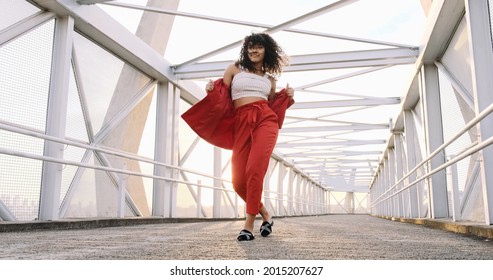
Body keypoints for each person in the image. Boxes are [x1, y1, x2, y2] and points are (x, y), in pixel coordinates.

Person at [182, 33, 294, 241]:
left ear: (265, 51)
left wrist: (287, 96)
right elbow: (222, 93)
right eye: (250, 47)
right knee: (237, 182)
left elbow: (272, 104)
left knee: (254, 169)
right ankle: (266, 214)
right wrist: (211, 89)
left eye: (259, 47)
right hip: (241, 122)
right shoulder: (234, 68)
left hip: (265, 120)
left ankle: (248, 226)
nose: (254, 50)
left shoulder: (270, 80)